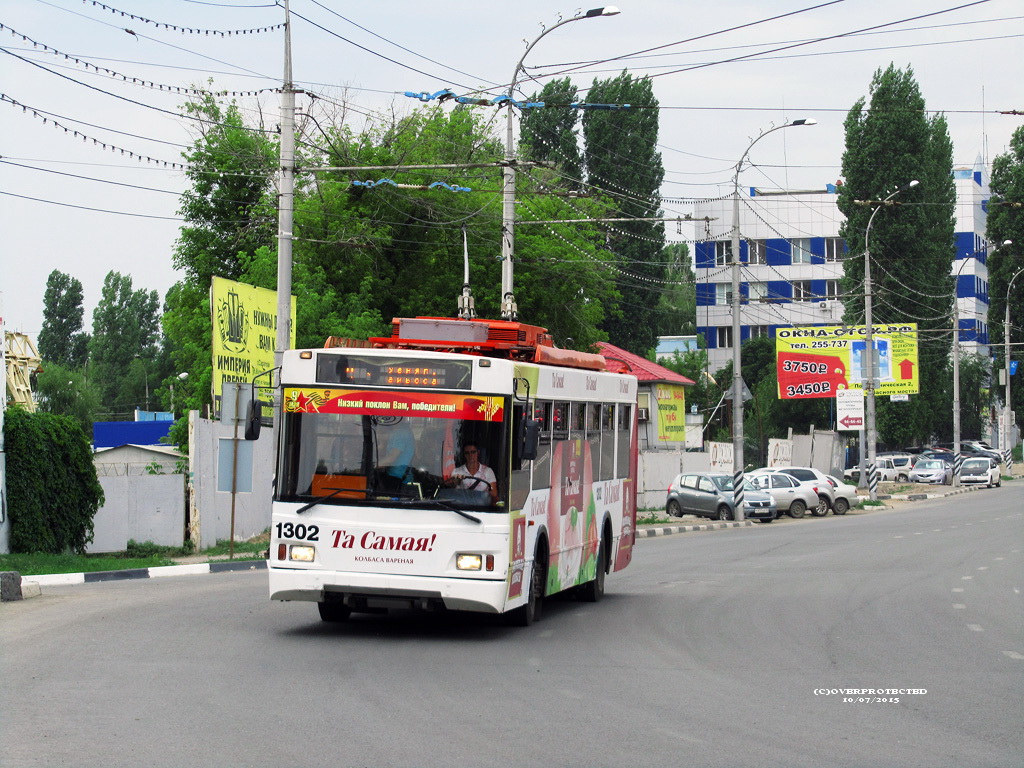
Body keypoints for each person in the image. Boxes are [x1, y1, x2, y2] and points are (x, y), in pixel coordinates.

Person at [380, 418, 415, 489]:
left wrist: (373, 466)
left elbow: (392, 457)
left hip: (398, 478)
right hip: (399, 476)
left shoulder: (400, 433)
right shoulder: (399, 432)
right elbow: (385, 438)